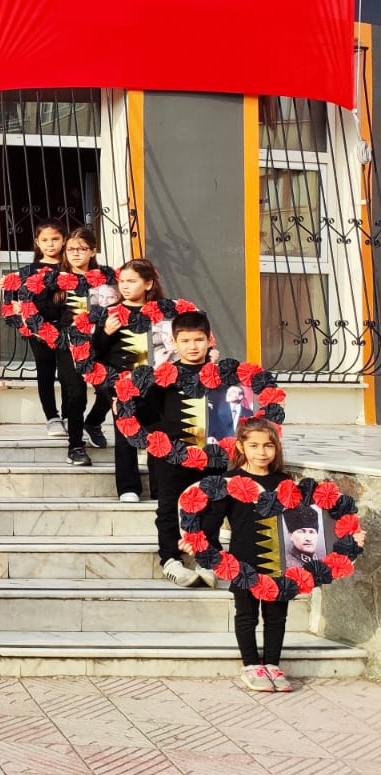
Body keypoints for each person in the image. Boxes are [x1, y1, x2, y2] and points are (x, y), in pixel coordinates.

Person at [193, 419, 300, 692]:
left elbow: (298, 522)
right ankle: (251, 665)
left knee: (277, 615)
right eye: (254, 445)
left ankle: (273, 664)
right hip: (243, 561)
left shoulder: (284, 481)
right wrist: (203, 546)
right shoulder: (230, 482)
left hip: (278, 560)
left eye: (268, 446)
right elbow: (212, 521)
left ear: (276, 447)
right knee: (247, 614)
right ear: (241, 446)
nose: (261, 452)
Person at [132, 310, 218, 588]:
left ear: (209, 340)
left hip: (211, 454)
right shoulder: (163, 377)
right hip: (170, 455)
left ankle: (207, 558)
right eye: (186, 340)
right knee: (169, 506)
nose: (193, 346)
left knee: (211, 505)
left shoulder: (220, 376)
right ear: (174, 342)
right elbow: (147, 413)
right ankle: (170, 559)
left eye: (199, 340)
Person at [94, 258, 167, 502]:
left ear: (148, 284)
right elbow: (94, 354)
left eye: (132, 281)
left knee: (158, 433)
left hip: (156, 384)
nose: (124, 286)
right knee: (124, 434)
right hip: (121, 384)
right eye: (122, 281)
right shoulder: (109, 313)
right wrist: (106, 332)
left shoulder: (163, 313)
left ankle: (160, 488)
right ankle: (128, 487)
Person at [31, 225, 99, 467]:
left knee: (107, 390)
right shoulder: (57, 280)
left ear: (93, 251)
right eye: (71, 249)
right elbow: (42, 308)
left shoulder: (106, 278)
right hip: (69, 344)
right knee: (75, 391)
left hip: (102, 343)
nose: (76, 253)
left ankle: (94, 422)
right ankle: (76, 446)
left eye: (82, 249)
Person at [14, 221, 68, 436]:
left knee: (69, 374)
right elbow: (13, 297)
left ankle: (70, 416)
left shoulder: (70, 268)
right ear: (37, 242)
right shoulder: (28, 271)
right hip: (38, 330)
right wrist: (18, 309)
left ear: (64, 240)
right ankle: (52, 417)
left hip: (67, 329)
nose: (50, 244)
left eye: (55, 239)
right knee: (45, 371)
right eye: (45, 240)